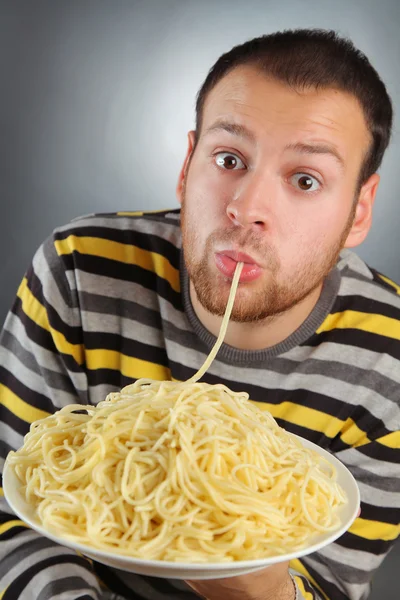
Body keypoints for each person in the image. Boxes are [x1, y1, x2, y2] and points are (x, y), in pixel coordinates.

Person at [0, 27, 399, 600]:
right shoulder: (79, 271)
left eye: (306, 179)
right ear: (189, 165)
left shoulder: (391, 361)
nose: (246, 209)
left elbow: (331, 584)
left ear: (358, 212)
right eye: (230, 158)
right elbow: (17, 513)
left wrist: (255, 585)